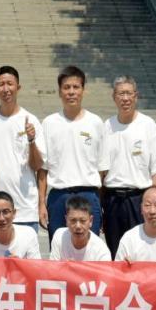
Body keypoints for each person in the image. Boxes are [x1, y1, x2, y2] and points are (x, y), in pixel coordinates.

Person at [102, 76, 156, 258]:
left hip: (139, 200)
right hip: (113, 201)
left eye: (129, 93)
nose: (125, 98)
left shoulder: (147, 125)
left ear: (136, 96)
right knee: (116, 254)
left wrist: (154, 204)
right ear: (114, 97)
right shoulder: (107, 126)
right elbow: (102, 172)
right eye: (121, 94)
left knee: (142, 252)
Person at [39, 66, 106, 245]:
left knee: (89, 251)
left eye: (76, 87)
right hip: (59, 196)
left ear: (83, 90)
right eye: (66, 87)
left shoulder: (96, 123)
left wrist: (101, 204)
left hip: (89, 195)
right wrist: (41, 204)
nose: (71, 92)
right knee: (59, 250)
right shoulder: (49, 123)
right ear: (59, 91)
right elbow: (43, 169)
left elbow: (102, 169)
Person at [0, 66, 45, 233]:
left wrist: (31, 140)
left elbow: (38, 166)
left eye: (10, 84)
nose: (6, 89)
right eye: (1, 84)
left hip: (25, 209)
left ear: (18, 87)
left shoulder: (30, 120)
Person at [0, 192, 41, 259]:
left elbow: (36, 265)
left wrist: (19, 263)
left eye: (6, 212)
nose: (1, 218)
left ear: (14, 213)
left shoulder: (29, 234)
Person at [49, 196, 111, 262]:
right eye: (73, 220)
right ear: (66, 220)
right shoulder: (59, 237)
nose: (78, 226)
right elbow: (52, 267)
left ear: (90, 221)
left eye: (83, 221)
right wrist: (65, 266)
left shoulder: (101, 250)